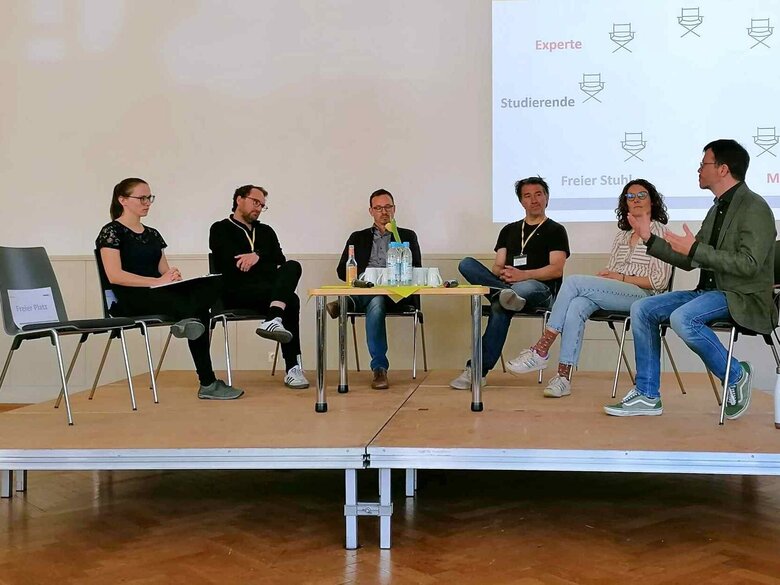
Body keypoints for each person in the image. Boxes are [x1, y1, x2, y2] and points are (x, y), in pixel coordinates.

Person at [604, 139, 777, 418]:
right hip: (708, 293)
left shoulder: (754, 207)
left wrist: (696, 249)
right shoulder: (717, 208)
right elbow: (690, 259)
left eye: (703, 164)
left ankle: (735, 375)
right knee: (643, 308)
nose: (698, 170)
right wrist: (650, 239)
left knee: (683, 318)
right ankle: (648, 394)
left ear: (722, 169)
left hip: (741, 296)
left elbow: (749, 265)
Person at [506, 179, 672, 397]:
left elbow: (659, 282)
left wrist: (619, 276)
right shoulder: (622, 235)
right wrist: (609, 277)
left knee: (574, 282)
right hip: (619, 292)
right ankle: (563, 378)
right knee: (577, 304)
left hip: (646, 298)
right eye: (630, 197)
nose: (636, 200)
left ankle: (541, 348)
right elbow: (612, 271)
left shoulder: (661, 232)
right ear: (625, 204)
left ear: (652, 200)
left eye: (642, 195)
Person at [96, 178, 243, 400]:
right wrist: (157, 282)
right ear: (123, 200)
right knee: (197, 311)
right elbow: (114, 275)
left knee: (206, 293)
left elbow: (163, 271)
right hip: (129, 299)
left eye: (149, 198)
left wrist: (173, 277)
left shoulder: (153, 234)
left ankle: (188, 326)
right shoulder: (111, 232)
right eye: (142, 198)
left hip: (158, 294)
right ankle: (208, 382)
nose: (147, 203)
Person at [450, 176, 570, 389]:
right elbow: (497, 266)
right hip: (509, 285)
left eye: (538, 194)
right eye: (527, 196)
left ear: (547, 198)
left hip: (539, 290)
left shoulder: (556, 230)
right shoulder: (509, 230)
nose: (534, 200)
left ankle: (476, 372)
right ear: (521, 201)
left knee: (511, 295)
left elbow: (556, 269)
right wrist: (504, 273)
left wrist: (523, 275)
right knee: (466, 264)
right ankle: (504, 294)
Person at [209, 185, 309, 389]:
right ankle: (276, 323)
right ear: (239, 199)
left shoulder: (266, 231)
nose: (259, 208)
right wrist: (266, 263)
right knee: (290, 299)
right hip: (234, 292)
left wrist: (257, 256)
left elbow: (280, 260)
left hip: (267, 293)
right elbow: (229, 263)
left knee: (293, 267)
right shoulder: (220, 228)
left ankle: (291, 366)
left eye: (262, 205)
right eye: (256, 202)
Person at [332, 188, 421, 389]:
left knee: (379, 296)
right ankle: (379, 369)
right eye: (378, 208)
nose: (384, 212)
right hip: (369, 290)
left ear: (394, 209)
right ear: (371, 211)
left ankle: (345, 302)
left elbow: (416, 268)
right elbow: (341, 270)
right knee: (376, 300)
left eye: (387, 207)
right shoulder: (358, 237)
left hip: (398, 294)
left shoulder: (406, 235)